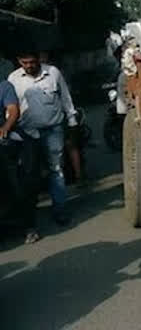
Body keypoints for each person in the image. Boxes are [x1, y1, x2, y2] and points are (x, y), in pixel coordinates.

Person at [8, 50, 78, 224]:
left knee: (56, 170)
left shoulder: (53, 73)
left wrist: (72, 121)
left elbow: (65, 98)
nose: (29, 66)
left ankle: (60, 210)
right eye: (25, 63)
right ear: (19, 61)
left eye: (32, 62)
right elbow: (10, 107)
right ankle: (30, 218)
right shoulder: (13, 79)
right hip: (27, 134)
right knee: (29, 174)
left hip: (53, 129)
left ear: (38, 60)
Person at [0, 78, 40, 243]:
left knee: (17, 184)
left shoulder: (4, 87)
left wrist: (5, 128)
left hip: (4, 142)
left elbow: (13, 110)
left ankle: (29, 227)